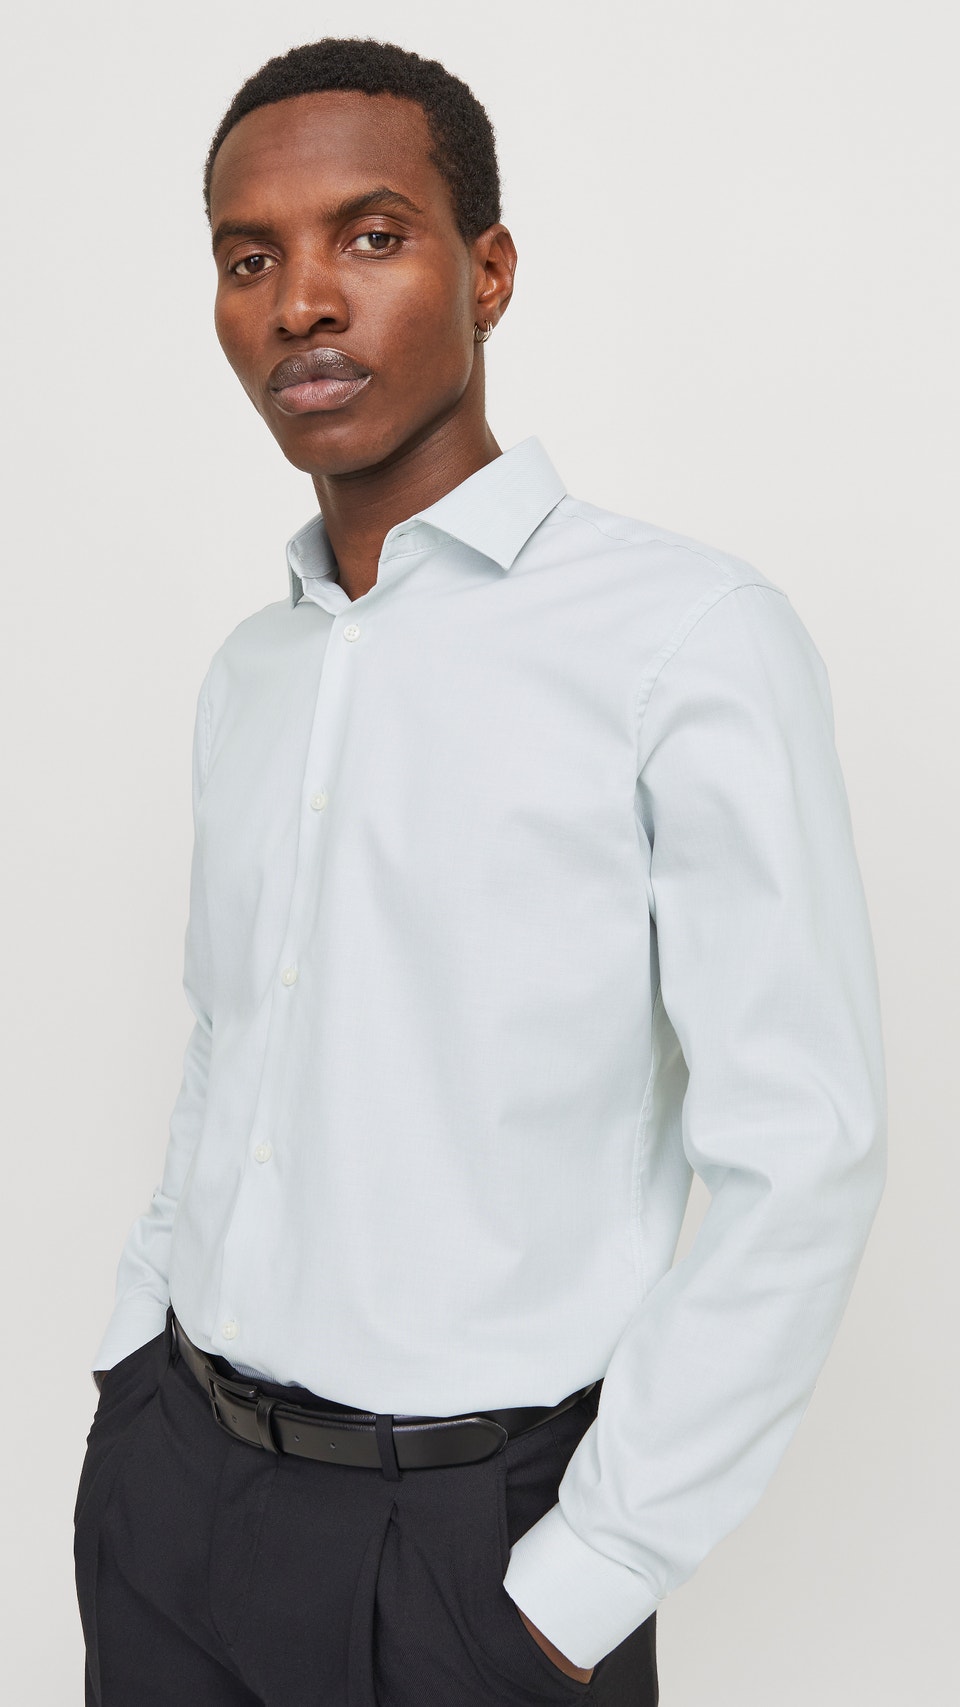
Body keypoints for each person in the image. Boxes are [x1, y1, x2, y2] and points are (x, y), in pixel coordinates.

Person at [73, 37, 886, 1707]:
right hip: (175, 1498)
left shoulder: (685, 641)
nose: (303, 301)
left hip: (466, 1557)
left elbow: (804, 1150)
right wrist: (132, 1364)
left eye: (371, 237)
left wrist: (589, 1577)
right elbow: (233, 1036)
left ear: (490, 272)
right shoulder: (254, 670)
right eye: (249, 258)